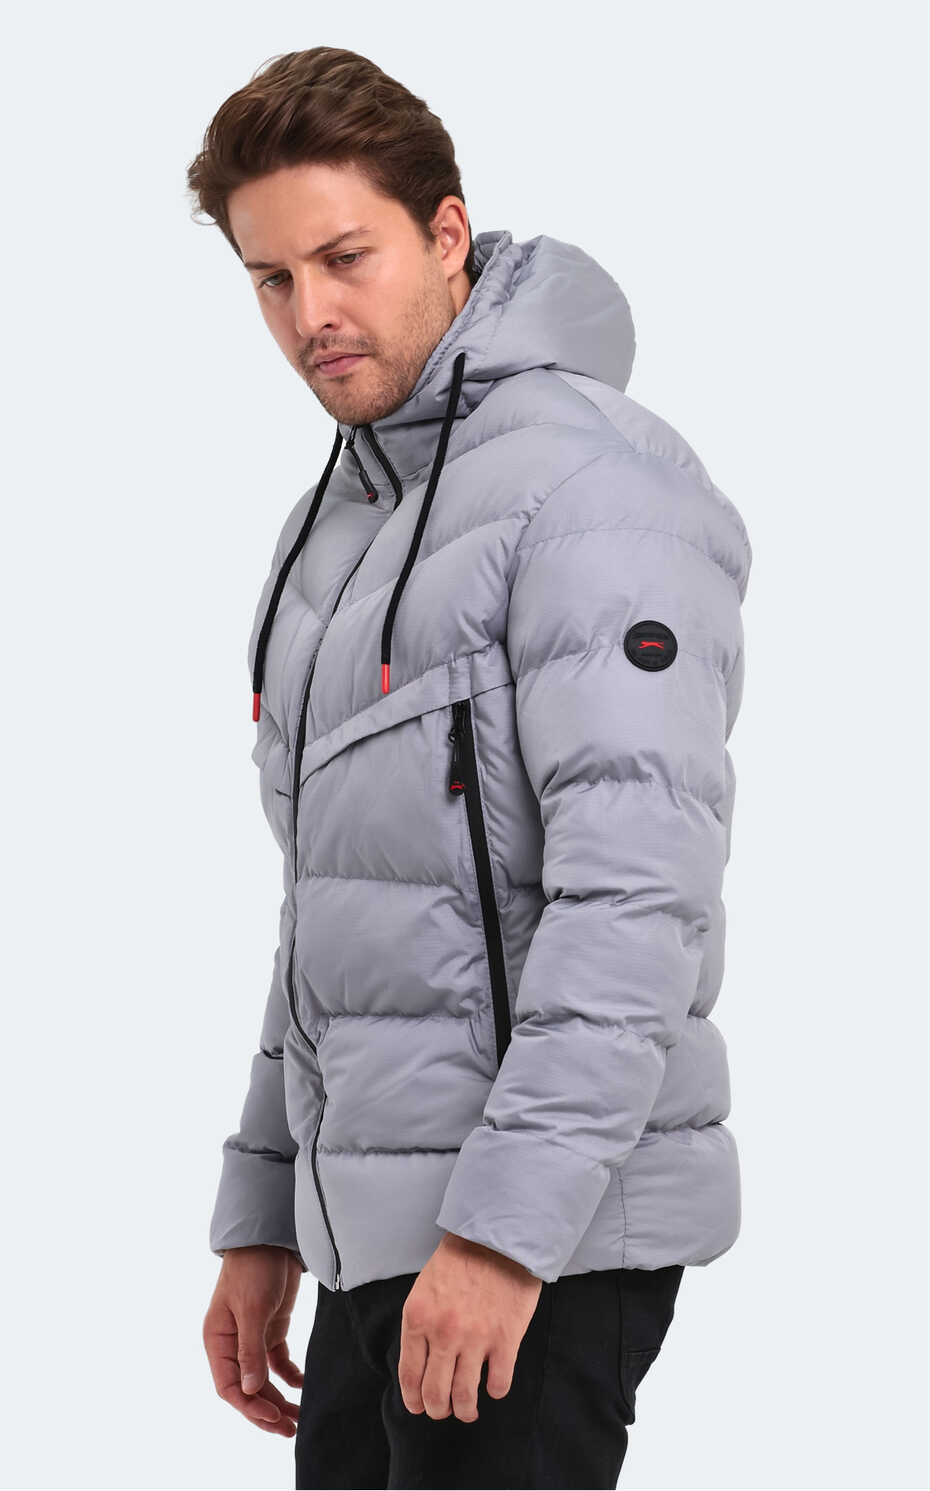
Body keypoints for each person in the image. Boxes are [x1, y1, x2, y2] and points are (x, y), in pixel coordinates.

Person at [188, 44, 752, 1491]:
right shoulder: (337, 528)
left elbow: (635, 898)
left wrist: (504, 1235)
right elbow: (335, 909)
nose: (311, 314)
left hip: (536, 1241)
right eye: (270, 278)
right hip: (377, 1238)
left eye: (344, 258)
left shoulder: (594, 491)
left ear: (447, 234)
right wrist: (268, 1211)